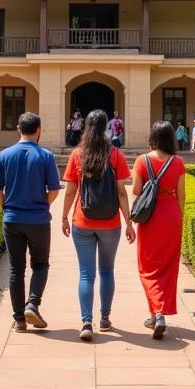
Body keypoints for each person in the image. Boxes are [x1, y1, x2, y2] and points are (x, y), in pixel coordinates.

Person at [61, 109, 134, 341]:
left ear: (86, 127)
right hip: (110, 222)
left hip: (82, 221)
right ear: (105, 127)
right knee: (107, 271)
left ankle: (86, 322)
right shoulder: (115, 155)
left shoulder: (77, 154)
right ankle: (104, 318)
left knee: (86, 274)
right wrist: (129, 222)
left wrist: (64, 216)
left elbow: (71, 191)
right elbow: (122, 192)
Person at [0, 112, 61, 332]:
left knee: (16, 269)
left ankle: (20, 320)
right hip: (38, 219)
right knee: (40, 264)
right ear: (38, 130)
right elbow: (54, 189)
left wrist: (6, 207)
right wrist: (43, 205)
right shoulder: (45, 155)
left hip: (12, 219)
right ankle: (33, 303)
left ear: (19, 129)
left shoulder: (5, 155)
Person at [131, 120, 186, 341]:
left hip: (150, 217)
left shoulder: (142, 161)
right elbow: (181, 195)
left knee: (147, 267)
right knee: (167, 267)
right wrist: (179, 219)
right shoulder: (178, 162)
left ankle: (158, 314)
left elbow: (135, 190)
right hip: (171, 215)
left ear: (152, 137)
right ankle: (157, 313)